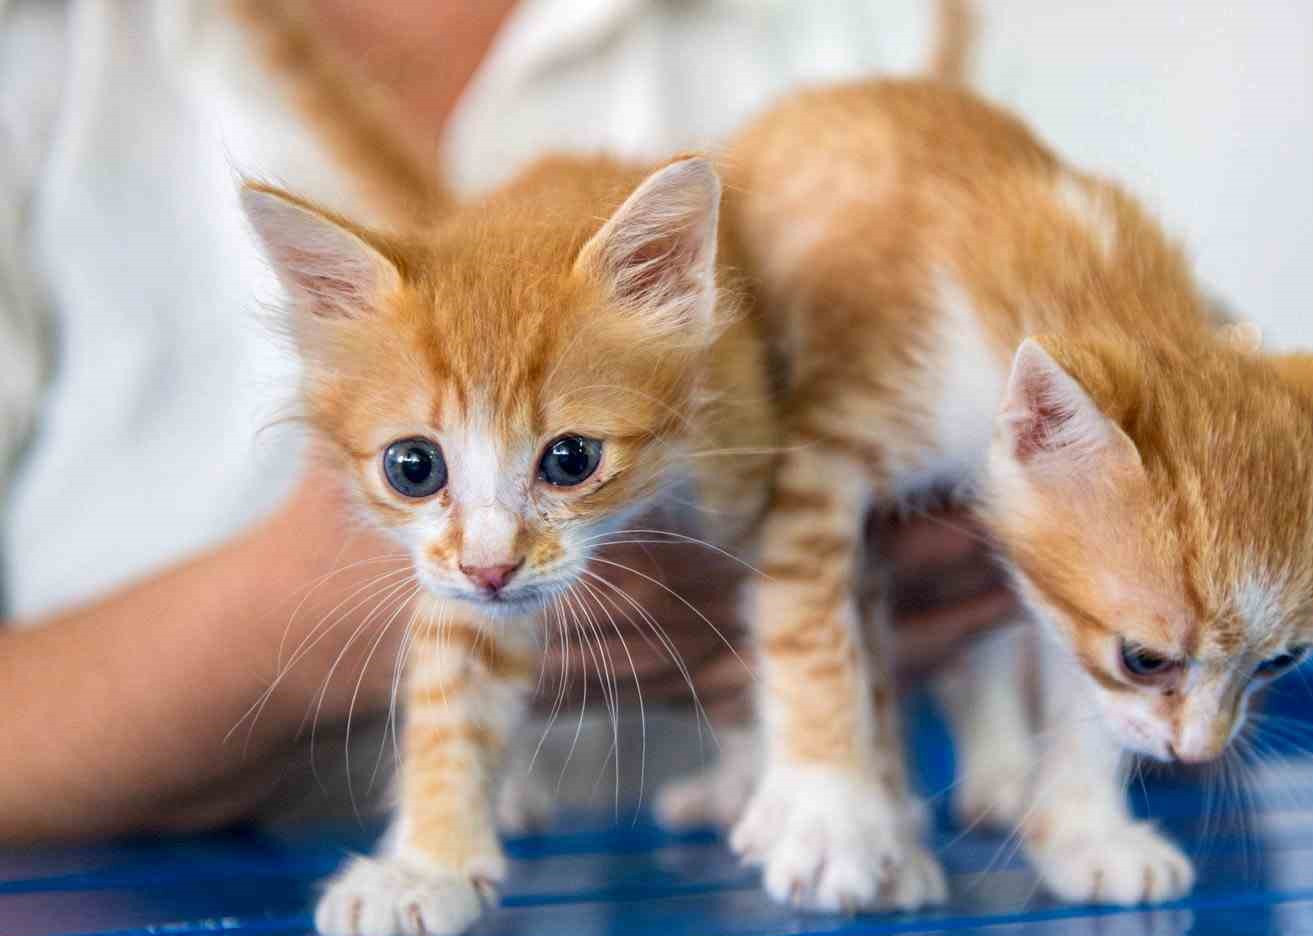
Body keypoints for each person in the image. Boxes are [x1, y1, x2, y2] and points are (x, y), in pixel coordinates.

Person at [0, 0, 1014, 843]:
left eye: (568, 459)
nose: (486, 554)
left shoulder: (863, 27)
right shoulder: (50, 42)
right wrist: (294, 628)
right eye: (414, 468)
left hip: (696, 872)